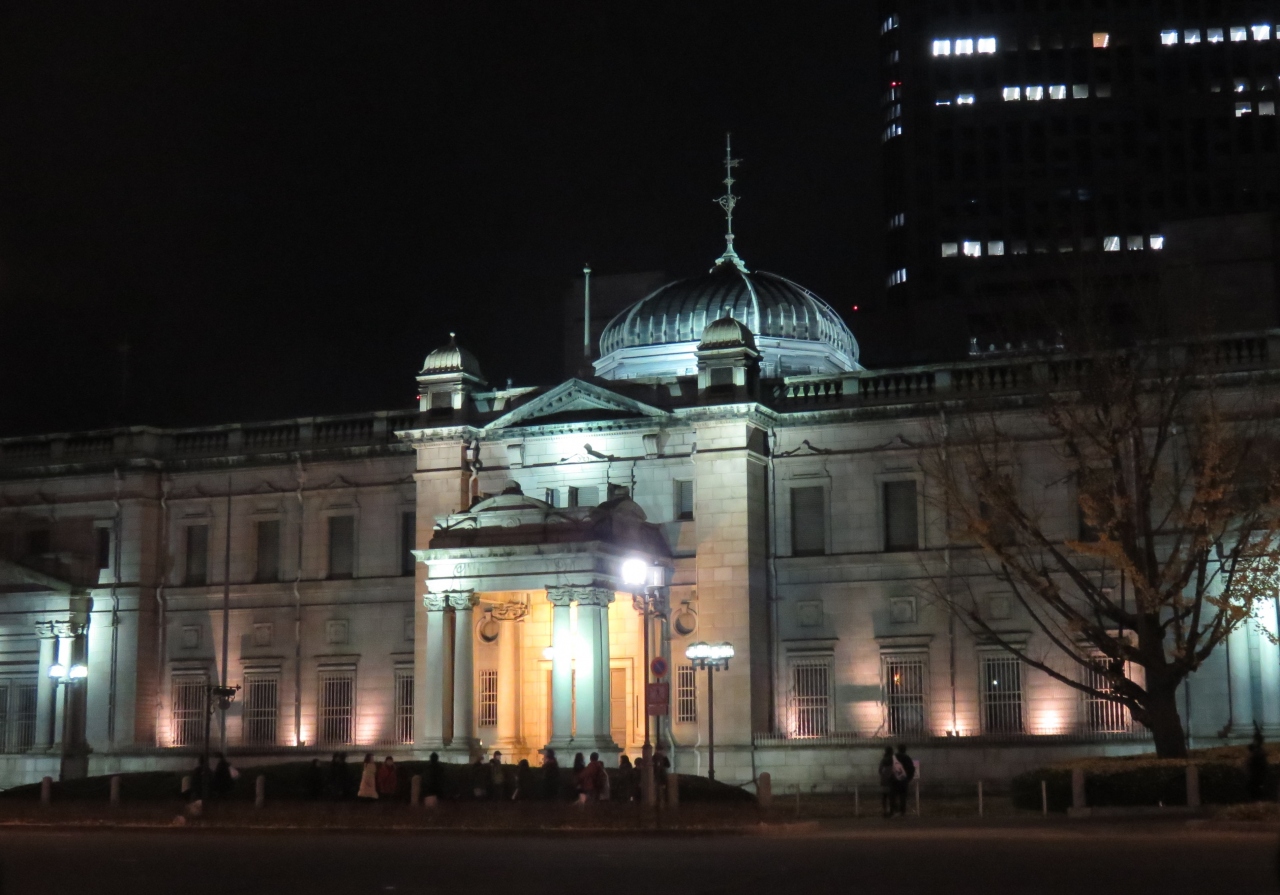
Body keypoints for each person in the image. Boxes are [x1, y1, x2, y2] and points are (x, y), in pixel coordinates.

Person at [892, 744, 916, 816]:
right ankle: (902, 811)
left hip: (894, 780)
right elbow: (911, 768)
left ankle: (894, 809)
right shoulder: (907, 758)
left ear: (898, 749)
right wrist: (909, 778)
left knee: (893, 795)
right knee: (903, 796)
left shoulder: (893, 757)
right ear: (905, 750)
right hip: (903, 780)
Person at [1248, 725, 1269, 800]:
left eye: (1253, 740)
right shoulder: (1259, 752)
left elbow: (1260, 768)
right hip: (1257, 778)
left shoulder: (1258, 753)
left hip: (1256, 779)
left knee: (1256, 795)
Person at [877, 746, 896, 818]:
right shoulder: (894, 759)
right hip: (892, 780)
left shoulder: (883, 760)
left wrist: (884, 775)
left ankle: (884, 811)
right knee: (892, 797)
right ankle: (891, 811)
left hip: (884, 781)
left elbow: (880, 770)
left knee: (884, 796)